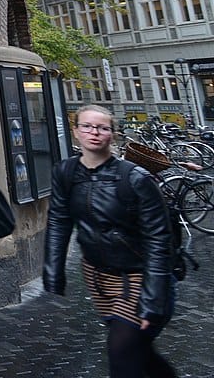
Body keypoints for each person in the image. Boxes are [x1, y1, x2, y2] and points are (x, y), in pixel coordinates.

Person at [43, 105, 176, 378]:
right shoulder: (65, 172)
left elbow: (158, 240)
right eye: (87, 126)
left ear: (112, 135)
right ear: (76, 131)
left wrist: (153, 299)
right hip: (98, 278)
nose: (95, 132)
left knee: (121, 353)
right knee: (139, 353)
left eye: (103, 128)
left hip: (140, 278)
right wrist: (53, 270)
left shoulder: (135, 178)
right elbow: (59, 220)